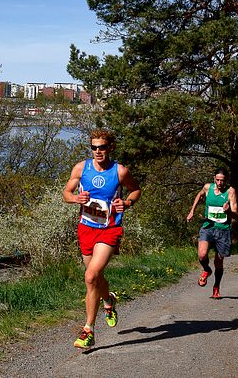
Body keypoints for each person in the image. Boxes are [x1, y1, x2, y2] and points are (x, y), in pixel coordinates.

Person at [63, 128, 141, 349]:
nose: (98, 151)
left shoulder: (120, 171)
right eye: (94, 147)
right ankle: (109, 300)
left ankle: (88, 330)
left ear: (110, 148)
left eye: (102, 147)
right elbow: (66, 193)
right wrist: (75, 198)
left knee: (90, 276)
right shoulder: (81, 168)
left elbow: (136, 190)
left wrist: (126, 203)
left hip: (109, 229)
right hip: (86, 228)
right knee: (96, 277)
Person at [186, 168, 238, 299]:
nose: (220, 183)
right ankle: (207, 270)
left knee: (218, 262)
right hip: (208, 227)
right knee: (202, 255)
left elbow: (236, 215)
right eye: (217, 180)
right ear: (214, 178)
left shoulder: (230, 192)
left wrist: (228, 212)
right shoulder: (208, 187)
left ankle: (216, 287)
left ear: (226, 180)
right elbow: (199, 195)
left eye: (222, 180)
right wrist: (192, 211)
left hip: (223, 230)